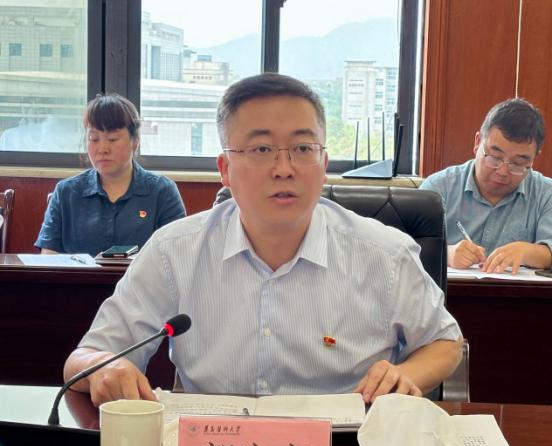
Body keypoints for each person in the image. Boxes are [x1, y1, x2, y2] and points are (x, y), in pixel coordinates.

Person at [64, 73, 463, 407]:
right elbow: (82, 359)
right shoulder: (173, 252)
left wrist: (406, 375)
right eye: (261, 149)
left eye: (303, 148)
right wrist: (106, 368)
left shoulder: (384, 254)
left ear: (323, 164)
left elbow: (445, 342)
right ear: (225, 168)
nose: (284, 168)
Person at [35, 93, 186, 257]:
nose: (103, 149)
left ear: (135, 141)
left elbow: (177, 255)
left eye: (112, 139)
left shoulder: (162, 191)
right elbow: (48, 256)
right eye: (94, 139)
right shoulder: (66, 192)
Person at [420, 98, 552, 273]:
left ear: (534, 158)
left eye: (518, 164)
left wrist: (527, 252)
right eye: (495, 158)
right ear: (477, 143)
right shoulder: (438, 189)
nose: (503, 171)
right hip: (448, 290)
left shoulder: (546, 194)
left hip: (517, 291)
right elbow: (404, 245)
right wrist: (446, 253)